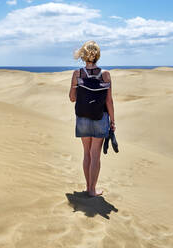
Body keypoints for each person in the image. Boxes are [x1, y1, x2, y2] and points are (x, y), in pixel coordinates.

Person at [69, 40, 116, 197]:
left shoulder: (77, 74)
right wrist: (113, 122)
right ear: (98, 55)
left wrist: (78, 88)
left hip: (82, 118)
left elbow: (72, 98)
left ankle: (88, 186)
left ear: (83, 56)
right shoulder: (106, 75)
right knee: (95, 154)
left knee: (86, 153)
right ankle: (92, 190)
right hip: (100, 118)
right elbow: (109, 101)